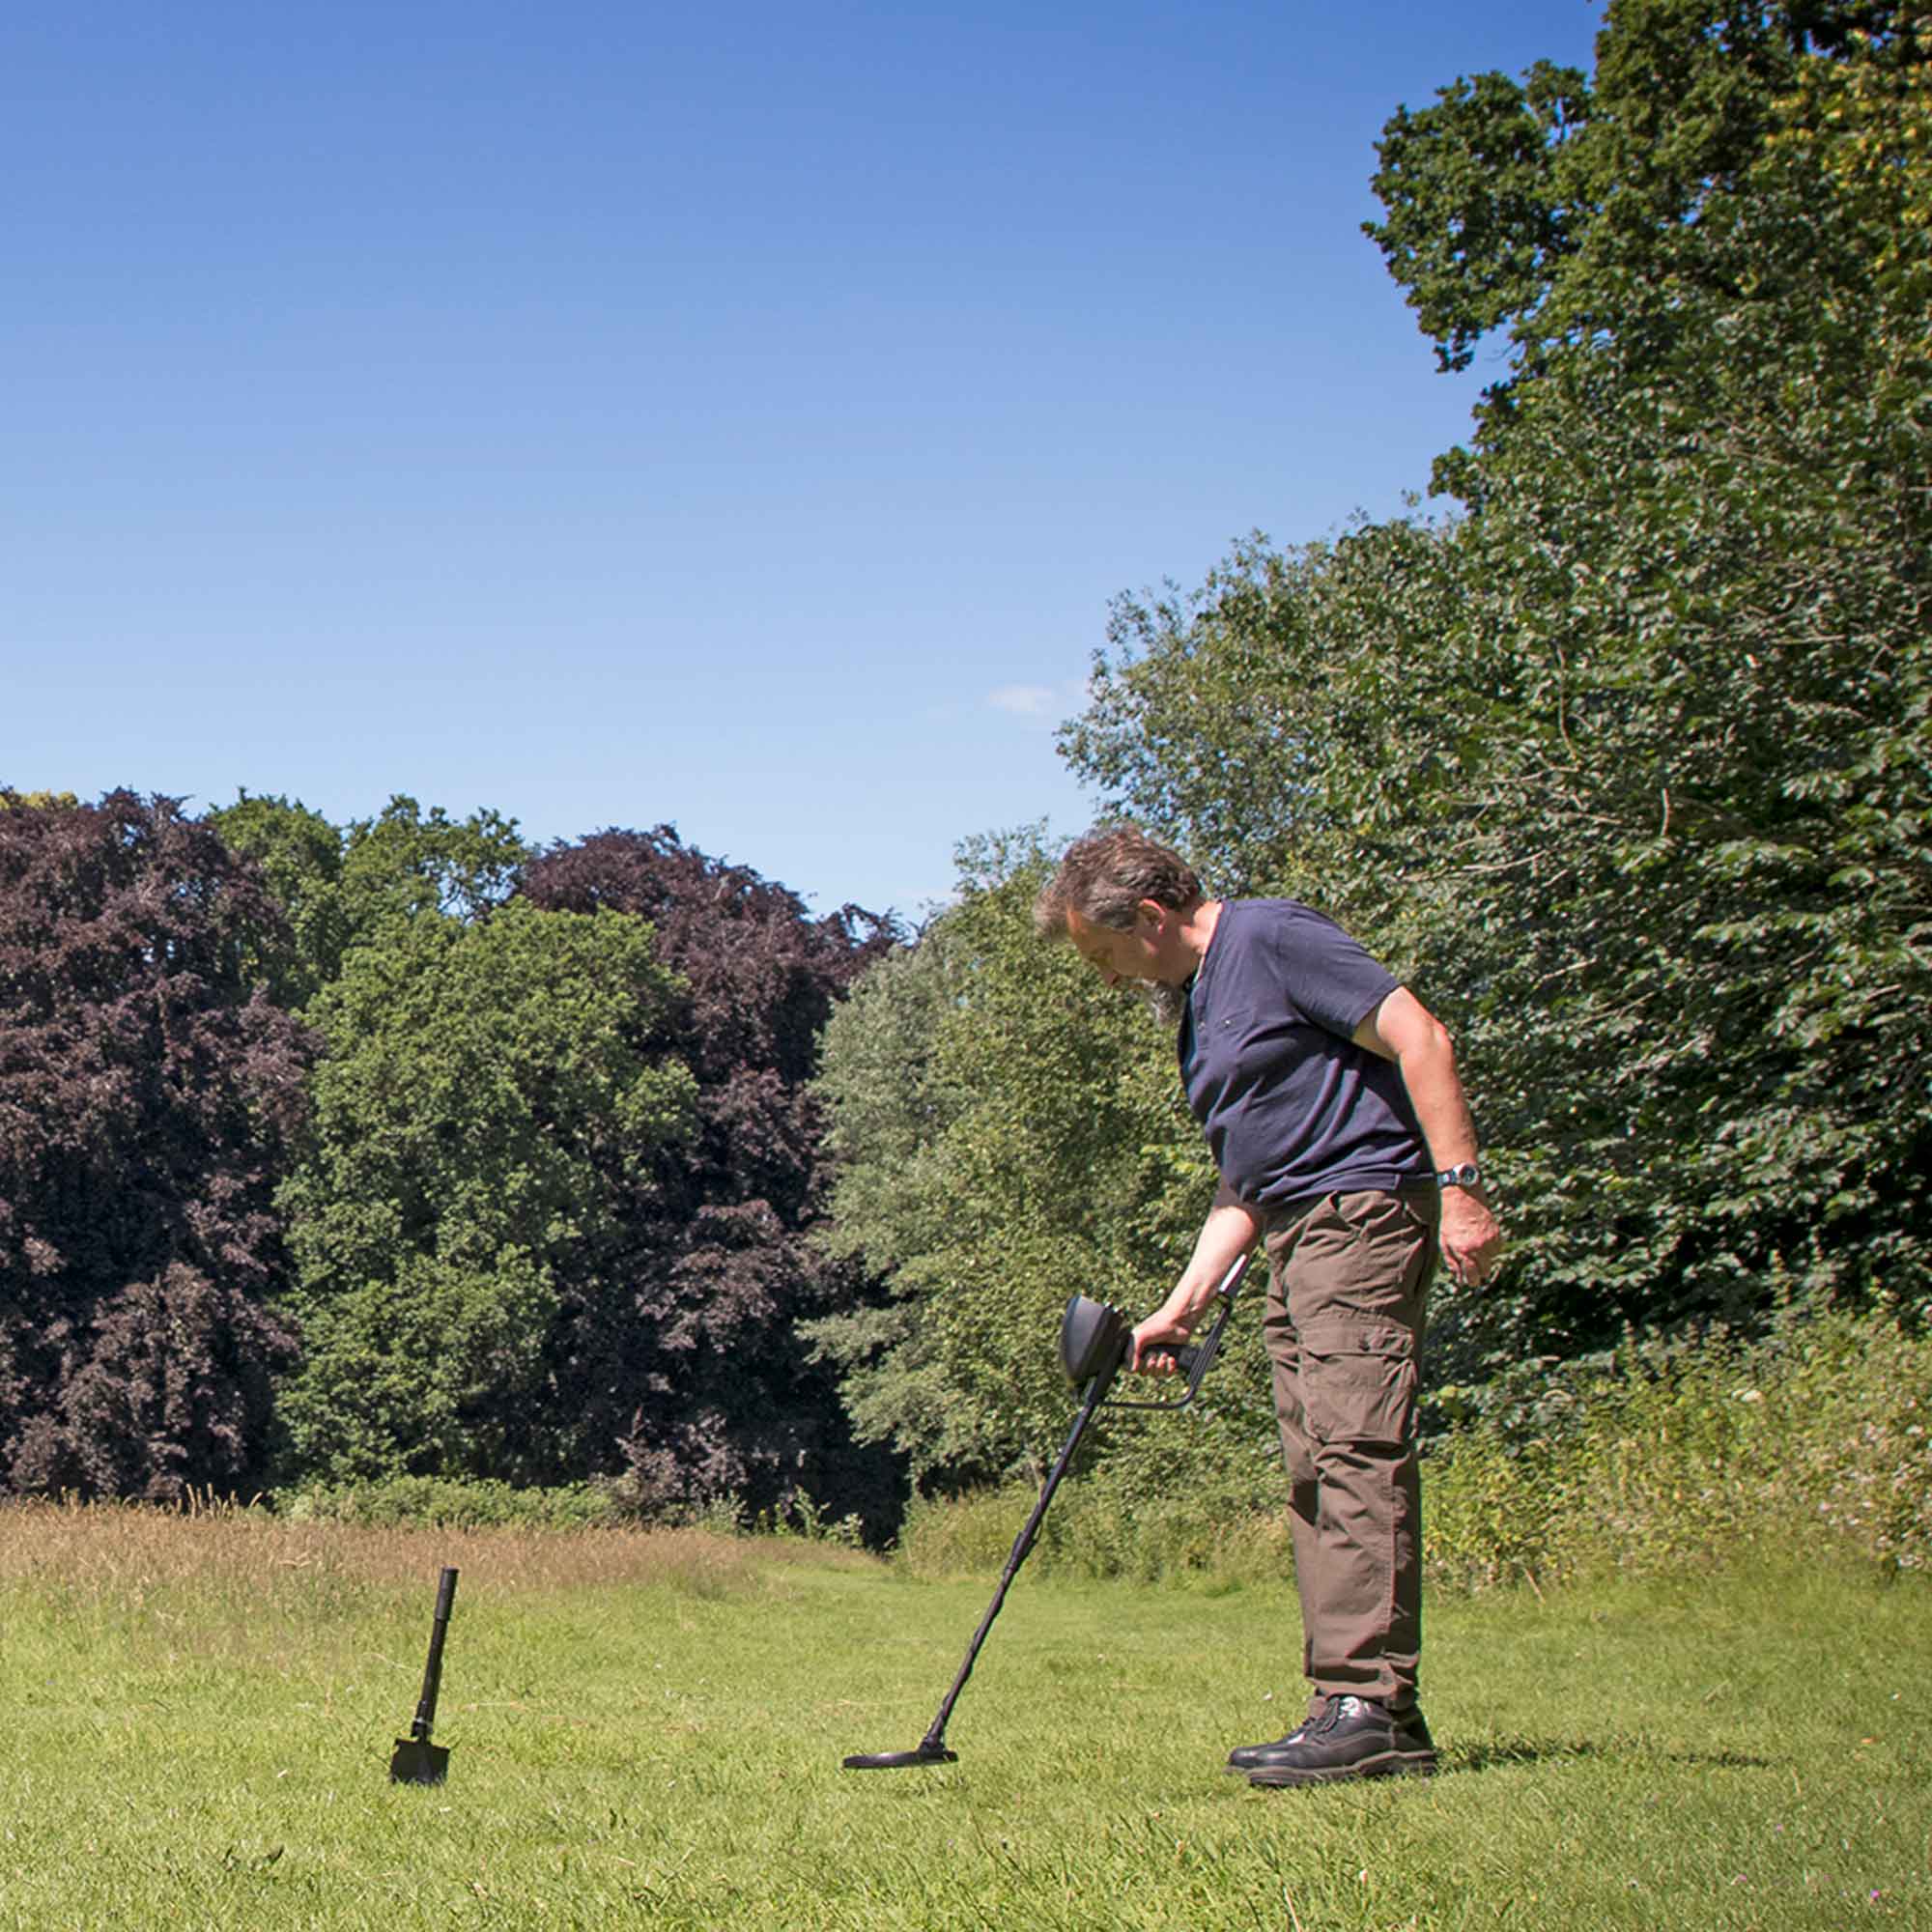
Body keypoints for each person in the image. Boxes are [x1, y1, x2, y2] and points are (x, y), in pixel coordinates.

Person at [1035, 827, 1503, 1788]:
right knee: (1312, 1462)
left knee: (1352, 1448)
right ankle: (1365, 1709)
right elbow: (1244, 1178)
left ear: (1152, 918)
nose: (1107, 975)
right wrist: (1180, 1306)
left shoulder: (1271, 937)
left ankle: (1367, 1704)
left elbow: (1418, 1032)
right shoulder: (1200, 1007)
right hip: (1295, 1225)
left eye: (1104, 953)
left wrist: (1459, 1187)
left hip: (1360, 1209)